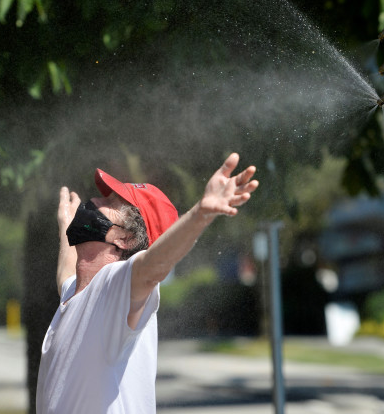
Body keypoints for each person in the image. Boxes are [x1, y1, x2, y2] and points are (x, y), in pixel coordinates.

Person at [36, 152, 258, 414]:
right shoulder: (75, 293)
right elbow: (65, 273)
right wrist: (65, 223)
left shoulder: (115, 289)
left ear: (126, 239)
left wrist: (201, 213)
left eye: (110, 202)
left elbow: (152, 267)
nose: (94, 201)